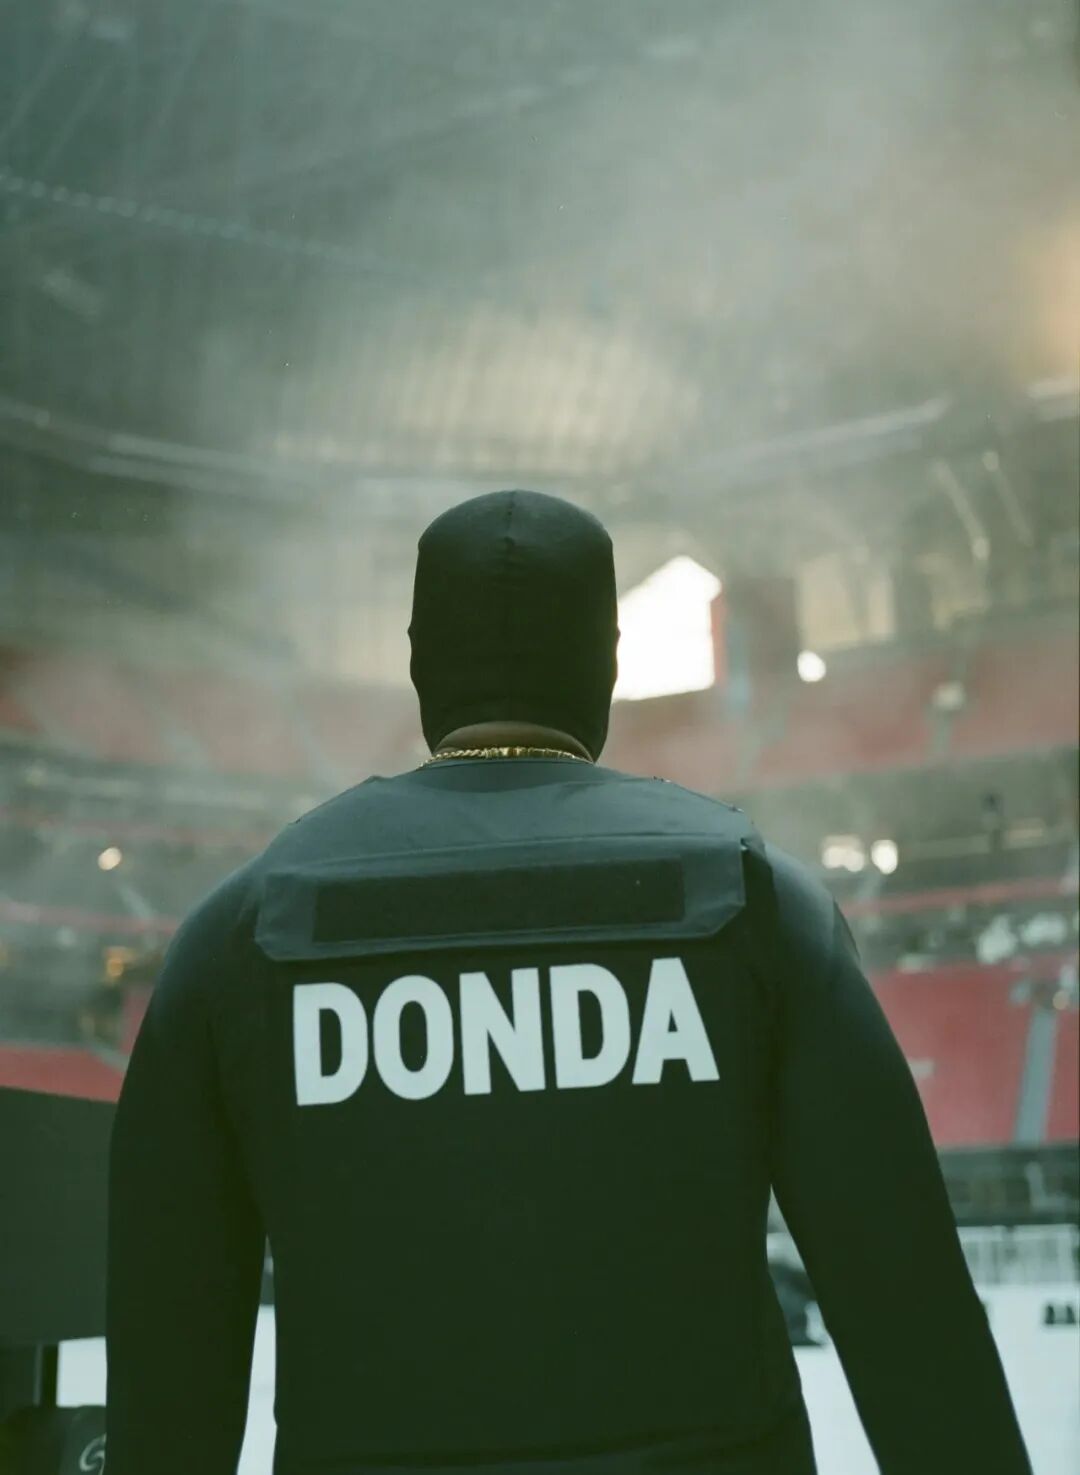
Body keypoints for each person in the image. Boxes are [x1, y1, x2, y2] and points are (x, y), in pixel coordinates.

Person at [105, 490, 1032, 1475]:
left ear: (421, 663)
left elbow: (169, 1386)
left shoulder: (240, 933)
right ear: (607, 662)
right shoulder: (757, 897)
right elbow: (913, 1321)